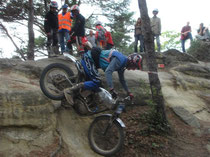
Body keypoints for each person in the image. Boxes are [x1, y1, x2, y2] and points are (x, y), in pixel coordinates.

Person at [64, 47, 143, 105]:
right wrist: (111, 89)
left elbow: (122, 80)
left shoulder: (123, 65)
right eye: (134, 67)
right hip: (89, 59)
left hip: (93, 63)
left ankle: (79, 97)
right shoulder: (120, 60)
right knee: (97, 82)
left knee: (96, 86)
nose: (133, 69)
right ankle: (70, 91)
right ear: (132, 62)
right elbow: (108, 71)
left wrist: (128, 92)